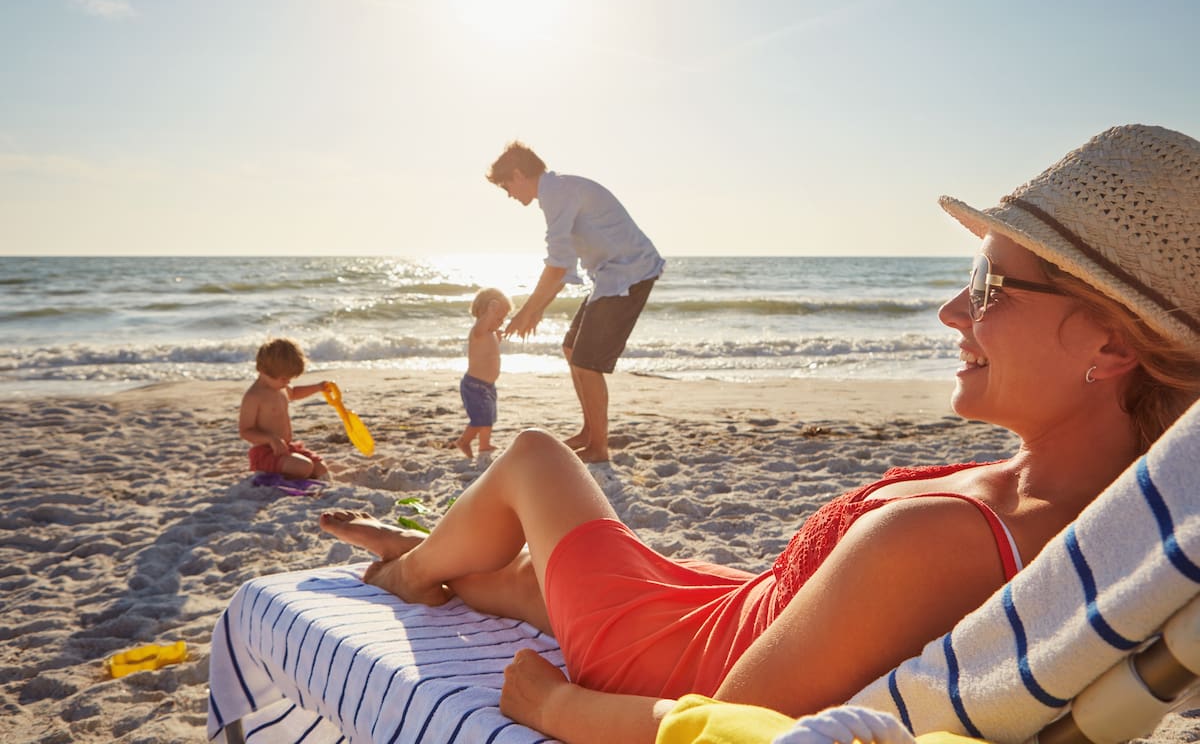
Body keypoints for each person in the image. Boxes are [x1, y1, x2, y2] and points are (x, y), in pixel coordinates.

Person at [320, 124, 1200, 744]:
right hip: (729, 609)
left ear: (1113, 342)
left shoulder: (943, 538)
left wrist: (555, 710)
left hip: (670, 662)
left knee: (536, 457)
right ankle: (435, 557)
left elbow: (736, 734)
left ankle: (405, 570)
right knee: (516, 579)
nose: (949, 309)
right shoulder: (1078, 514)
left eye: (991, 287)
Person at [486, 142, 665, 463]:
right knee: (572, 350)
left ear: (518, 174)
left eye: (506, 186)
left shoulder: (558, 192)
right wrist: (535, 309)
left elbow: (557, 265)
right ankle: (589, 433)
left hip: (630, 274)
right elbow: (564, 264)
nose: (509, 194)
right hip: (610, 276)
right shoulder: (556, 191)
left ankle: (599, 447)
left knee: (586, 362)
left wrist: (528, 310)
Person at [239, 337, 331, 480]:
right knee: (304, 467)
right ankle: (268, 474)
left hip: (286, 447)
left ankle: (289, 473)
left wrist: (318, 387)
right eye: (283, 379)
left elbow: (293, 393)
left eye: (289, 379)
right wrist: (271, 440)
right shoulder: (254, 396)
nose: (287, 382)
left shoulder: (280, 387)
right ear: (262, 370)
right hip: (266, 452)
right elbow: (245, 431)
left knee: (321, 468)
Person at [457, 287, 513, 458]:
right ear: (485, 312)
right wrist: (490, 313)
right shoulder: (478, 330)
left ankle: (484, 445)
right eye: (499, 317)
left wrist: (497, 338)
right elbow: (482, 325)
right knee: (479, 419)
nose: (501, 321)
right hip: (474, 385)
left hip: (488, 385)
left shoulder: (489, 333)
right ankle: (464, 442)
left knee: (488, 417)